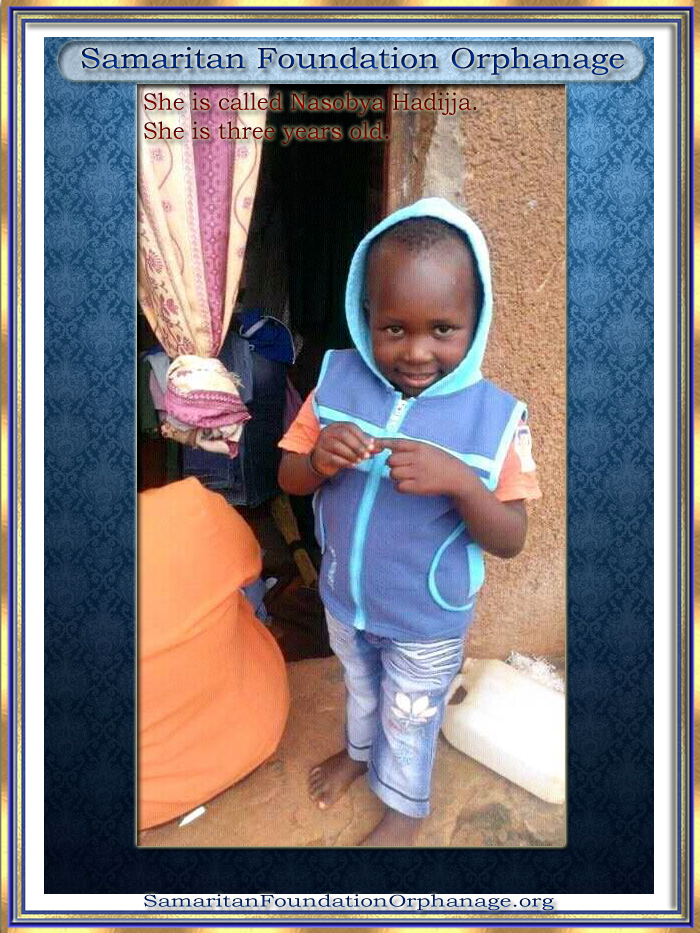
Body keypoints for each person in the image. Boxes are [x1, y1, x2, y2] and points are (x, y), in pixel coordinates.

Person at [278, 197, 541, 846]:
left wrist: (460, 482)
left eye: (443, 329)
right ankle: (358, 754)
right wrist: (317, 459)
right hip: (345, 600)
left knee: (410, 713)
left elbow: (511, 537)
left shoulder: (496, 419)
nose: (417, 352)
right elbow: (288, 480)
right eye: (394, 328)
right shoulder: (336, 381)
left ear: (476, 321)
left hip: (427, 619)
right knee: (361, 690)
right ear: (365, 314)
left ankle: (406, 807)